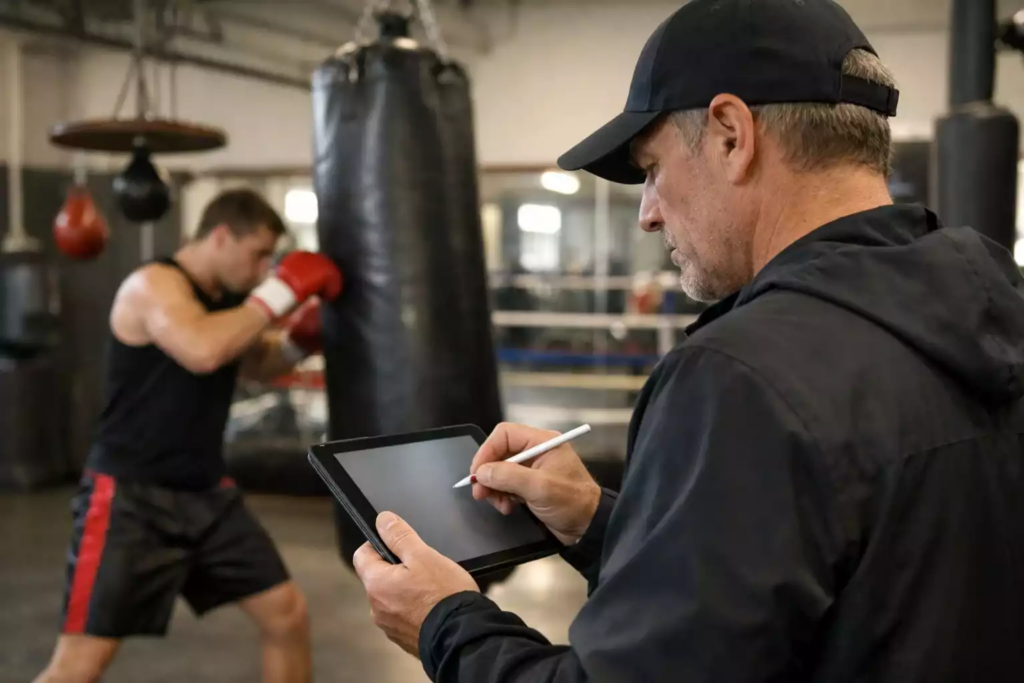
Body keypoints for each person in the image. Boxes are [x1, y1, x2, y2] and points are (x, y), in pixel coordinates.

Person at [352, 0, 1024, 681]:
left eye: (652, 168)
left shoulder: (742, 375)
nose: (647, 214)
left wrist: (445, 622)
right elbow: (842, 586)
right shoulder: (988, 310)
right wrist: (599, 521)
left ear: (732, 135)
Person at [35, 189, 342, 683]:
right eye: (258, 254)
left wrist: (298, 344)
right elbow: (202, 350)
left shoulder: (230, 299)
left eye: (270, 259)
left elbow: (254, 363)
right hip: (131, 499)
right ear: (220, 237)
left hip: (206, 494)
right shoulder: (153, 285)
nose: (263, 269)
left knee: (287, 616)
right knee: (80, 664)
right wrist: (281, 291)